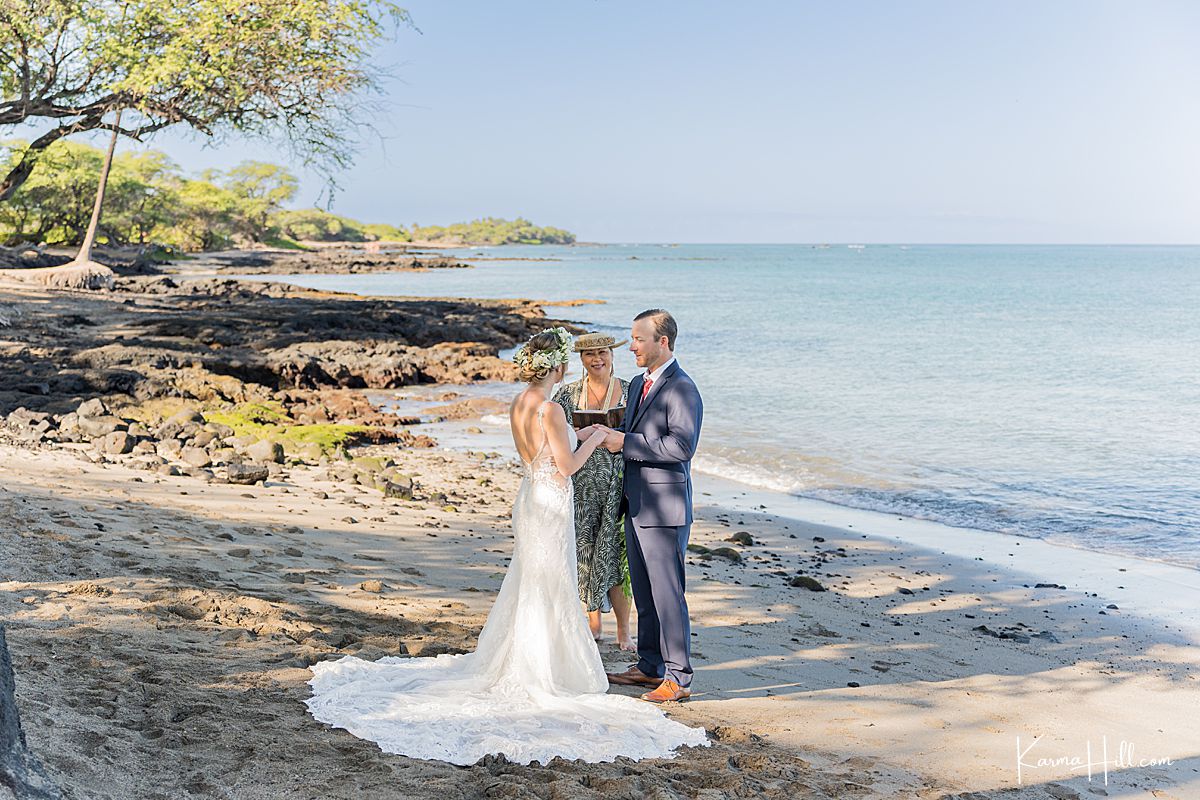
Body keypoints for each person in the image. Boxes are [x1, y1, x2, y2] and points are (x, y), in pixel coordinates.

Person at [305, 327, 708, 764]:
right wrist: (596, 437)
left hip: (533, 500)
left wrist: (595, 437)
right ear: (556, 365)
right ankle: (556, 668)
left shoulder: (521, 403)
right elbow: (568, 466)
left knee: (534, 584)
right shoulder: (552, 407)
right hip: (552, 502)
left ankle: (611, 663)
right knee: (551, 584)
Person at [603, 310, 704, 704]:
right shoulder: (636, 385)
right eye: (632, 338)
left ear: (663, 342)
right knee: (643, 591)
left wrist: (623, 442)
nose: (631, 346)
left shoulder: (683, 389)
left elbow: (682, 447)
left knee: (667, 594)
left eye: (638, 339)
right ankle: (650, 666)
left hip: (665, 510)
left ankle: (679, 678)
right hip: (637, 503)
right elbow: (634, 431)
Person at [553, 331, 635, 650]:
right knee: (585, 554)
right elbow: (555, 436)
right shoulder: (568, 394)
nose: (596, 359)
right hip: (582, 486)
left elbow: (643, 434)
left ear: (613, 355)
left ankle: (624, 631)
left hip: (619, 486)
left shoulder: (631, 391)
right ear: (581, 360)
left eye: (602, 352)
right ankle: (593, 623)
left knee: (616, 558)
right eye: (589, 355)